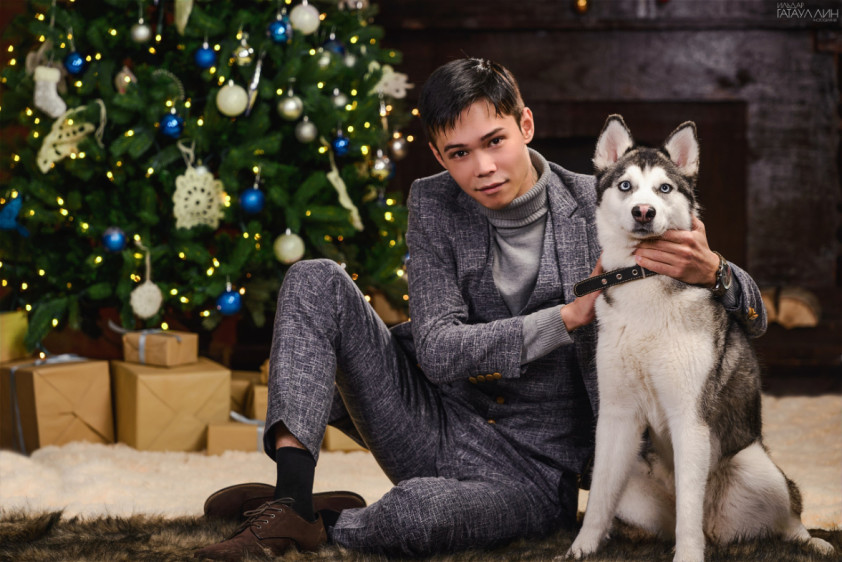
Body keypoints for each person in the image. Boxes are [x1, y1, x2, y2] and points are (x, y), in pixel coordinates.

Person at [194, 57, 766, 560]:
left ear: (526, 125)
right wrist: (563, 319)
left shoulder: (608, 203)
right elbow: (438, 352)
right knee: (314, 277)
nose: (483, 167)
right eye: (459, 153)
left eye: (495, 141)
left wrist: (715, 270)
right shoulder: (433, 201)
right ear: (438, 154)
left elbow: (755, 318)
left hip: (532, 471)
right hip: (432, 421)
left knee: (415, 516)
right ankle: (291, 501)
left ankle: (326, 521)